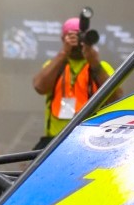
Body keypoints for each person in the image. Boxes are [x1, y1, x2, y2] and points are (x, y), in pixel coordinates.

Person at [31, 17, 121, 147]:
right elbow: (39, 87)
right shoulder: (54, 65)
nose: (78, 41)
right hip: (53, 140)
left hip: (89, 138)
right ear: (63, 39)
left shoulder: (101, 66)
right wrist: (64, 53)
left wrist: (94, 63)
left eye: (81, 37)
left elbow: (116, 97)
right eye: (73, 36)